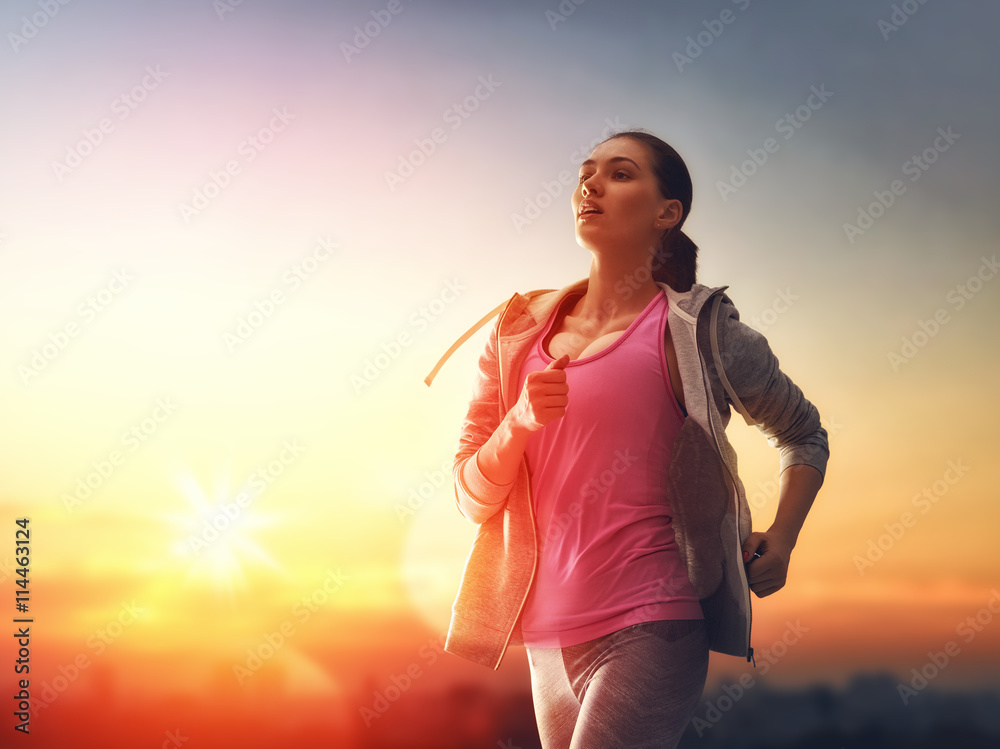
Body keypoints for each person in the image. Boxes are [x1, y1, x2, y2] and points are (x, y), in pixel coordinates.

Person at [423, 129, 829, 748]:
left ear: (668, 213)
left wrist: (785, 536)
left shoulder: (699, 331)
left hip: (656, 618)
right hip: (545, 635)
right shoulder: (516, 335)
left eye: (620, 173)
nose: (590, 184)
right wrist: (519, 423)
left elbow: (803, 434)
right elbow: (472, 499)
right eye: (586, 172)